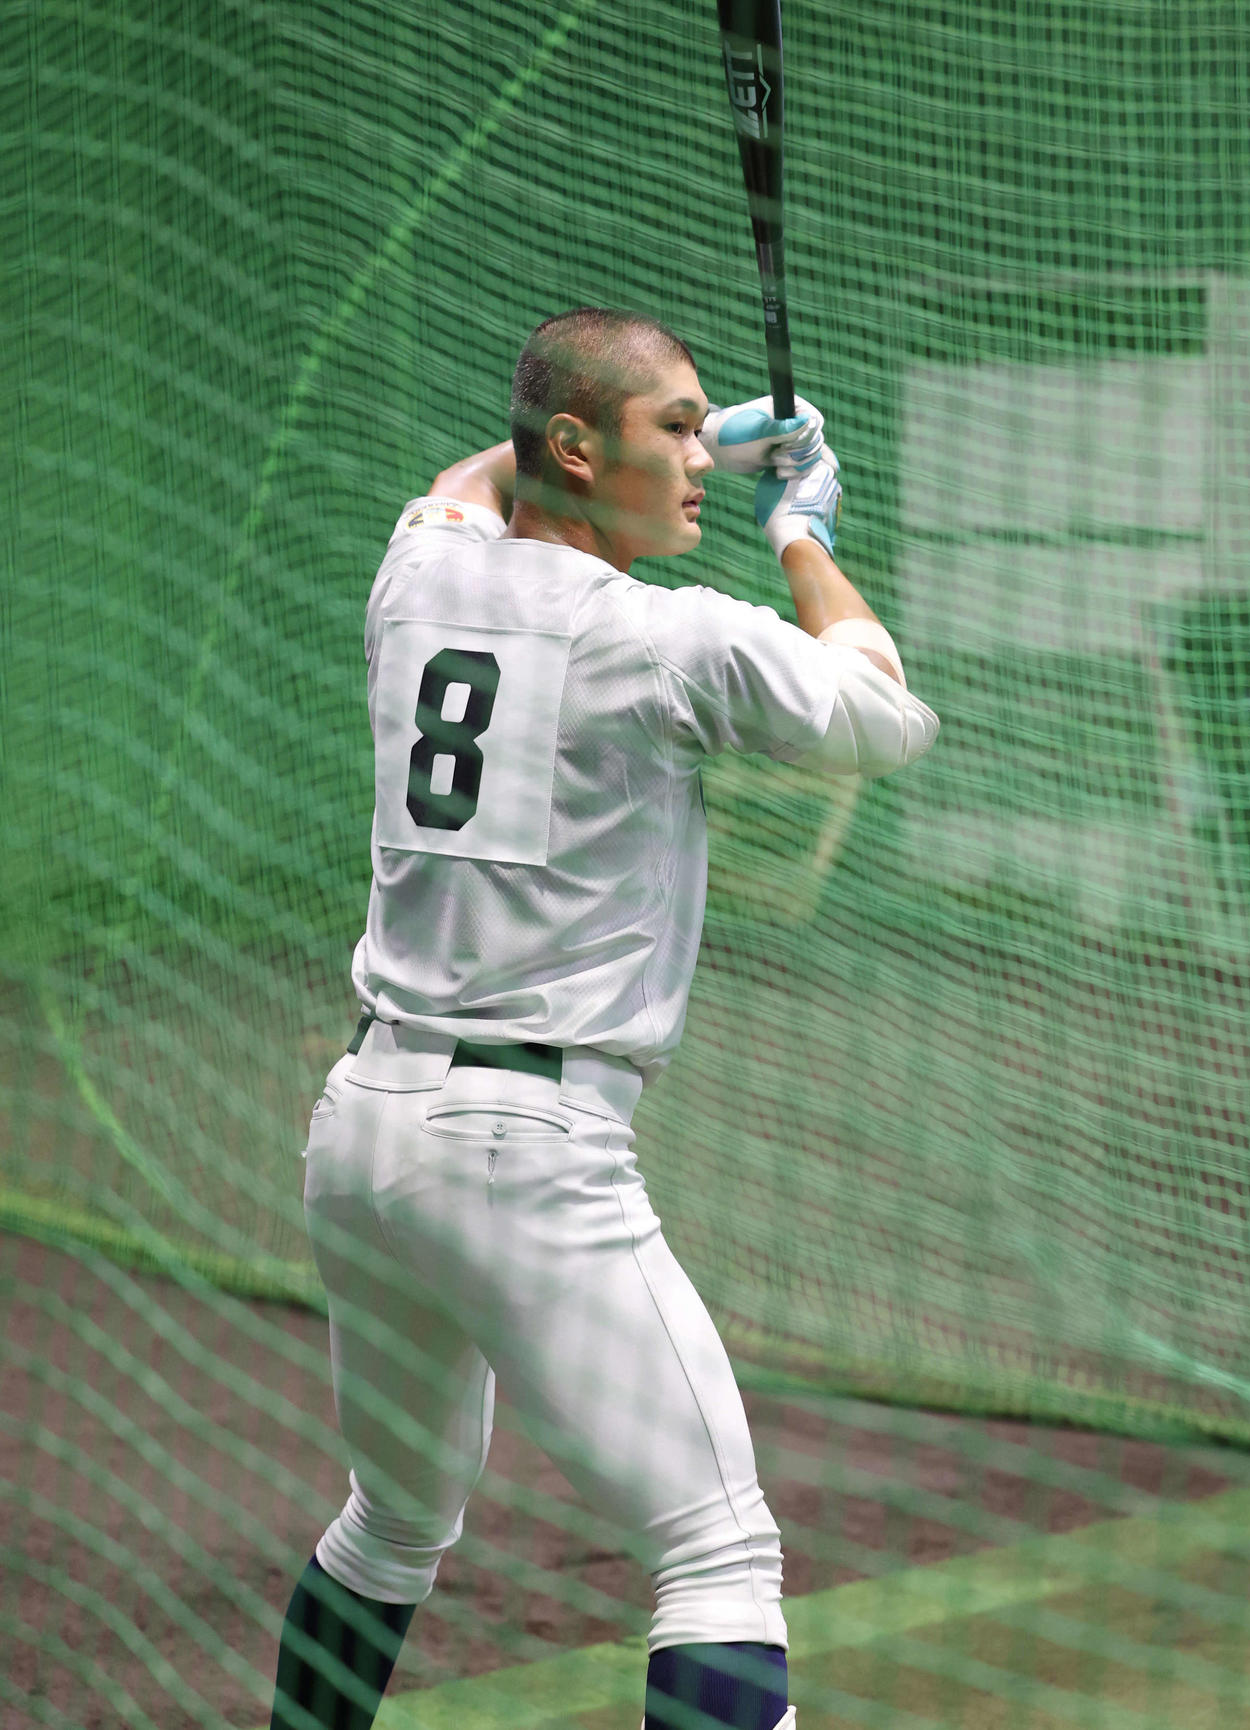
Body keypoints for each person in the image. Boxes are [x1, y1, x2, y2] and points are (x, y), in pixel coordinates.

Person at [268, 306, 938, 1730]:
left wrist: (638, 447)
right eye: (678, 429)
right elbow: (882, 714)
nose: (703, 456)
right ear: (576, 447)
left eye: (709, 427)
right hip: (528, 1147)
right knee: (717, 1554)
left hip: (364, 1133)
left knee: (391, 1522)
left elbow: (481, 483)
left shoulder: (420, 567)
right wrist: (798, 527)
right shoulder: (670, 638)